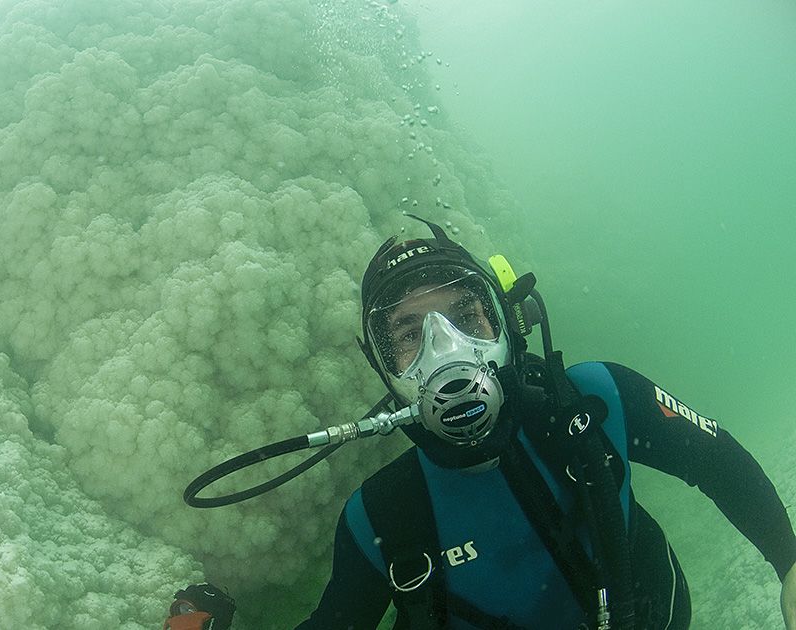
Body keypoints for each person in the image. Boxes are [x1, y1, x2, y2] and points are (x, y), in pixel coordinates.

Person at [293, 217, 796, 629]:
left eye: (466, 315)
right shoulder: (380, 515)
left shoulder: (599, 397)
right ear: (384, 370)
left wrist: (791, 562)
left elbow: (714, 459)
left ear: (509, 323)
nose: (446, 349)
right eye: (408, 334)